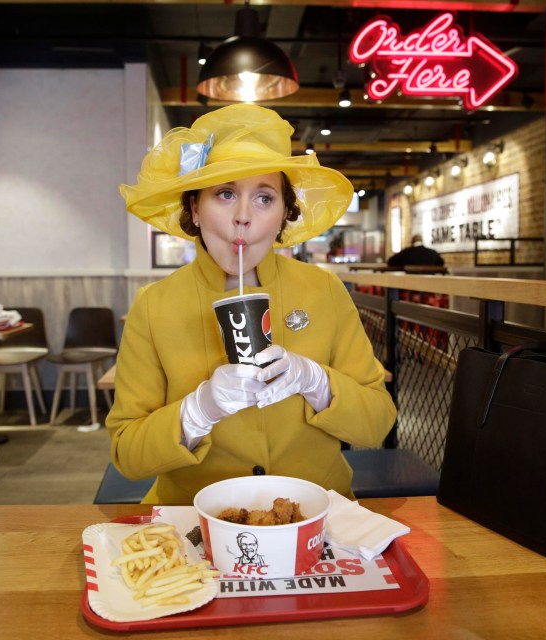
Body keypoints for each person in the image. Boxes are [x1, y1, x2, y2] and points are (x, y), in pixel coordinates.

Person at [108, 104, 397, 505]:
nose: (243, 216)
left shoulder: (325, 290)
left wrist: (316, 382)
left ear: (283, 215)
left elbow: (377, 423)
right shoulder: (153, 306)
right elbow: (128, 454)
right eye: (224, 194)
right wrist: (198, 411)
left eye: (264, 198)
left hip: (318, 511)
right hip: (195, 518)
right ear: (194, 207)